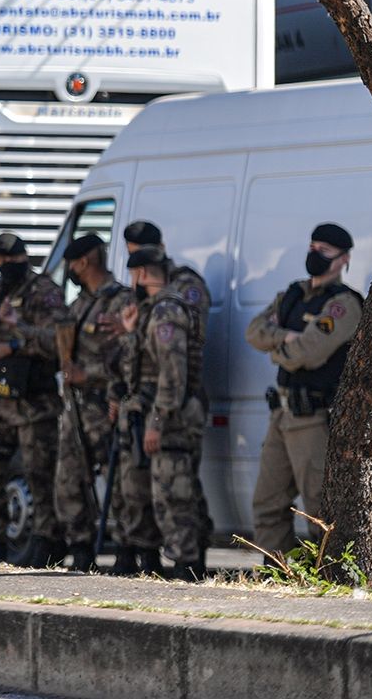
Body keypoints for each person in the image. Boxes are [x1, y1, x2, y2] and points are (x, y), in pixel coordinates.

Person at [245, 223, 362, 558]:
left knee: (318, 510)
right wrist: (286, 338)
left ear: (343, 259)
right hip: (281, 415)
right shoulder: (293, 295)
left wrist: (279, 347)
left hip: (313, 418)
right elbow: (254, 332)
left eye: (324, 250)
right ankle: (275, 577)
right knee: (267, 504)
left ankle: (326, 581)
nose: (314, 254)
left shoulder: (342, 304)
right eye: (312, 246)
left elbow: (308, 354)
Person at [0, 231, 69, 567]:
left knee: (39, 476)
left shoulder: (45, 292)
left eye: (15, 261)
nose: (9, 266)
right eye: (4, 261)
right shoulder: (0, 290)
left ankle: (44, 548)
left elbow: (58, 340)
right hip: (1, 401)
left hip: (34, 403)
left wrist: (12, 345)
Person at [114, 245, 210, 580]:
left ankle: (188, 567)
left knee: (174, 496)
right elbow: (142, 368)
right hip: (159, 415)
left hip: (172, 419)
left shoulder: (166, 311)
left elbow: (173, 374)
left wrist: (157, 422)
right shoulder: (153, 310)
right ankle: (170, 563)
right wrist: (130, 334)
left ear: (141, 274)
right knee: (153, 494)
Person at [53, 233, 132, 572]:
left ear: (83, 262)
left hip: (105, 405)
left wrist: (91, 374)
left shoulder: (120, 302)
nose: (70, 269)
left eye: (72, 263)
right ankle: (81, 548)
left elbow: (130, 356)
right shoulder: (80, 304)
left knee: (118, 483)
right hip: (76, 407)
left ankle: (128, 550)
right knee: (70, 478)